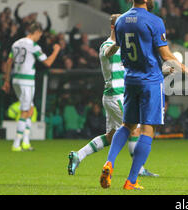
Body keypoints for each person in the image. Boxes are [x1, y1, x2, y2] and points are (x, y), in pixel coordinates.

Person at [100, 0, 188, 190]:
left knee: (127, 126)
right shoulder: (154, 21)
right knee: (148, 129)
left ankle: (109, 162)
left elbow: (116, 45)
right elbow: (165, 54)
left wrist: (109, 51)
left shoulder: (120, 21)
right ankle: (131, 181)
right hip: (150, 80)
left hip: (130, 80)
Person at [67, 14, 159, 177]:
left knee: (110, 137)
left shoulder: (127, 46)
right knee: (135, 129)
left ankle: (78, 155)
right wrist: (119, 42)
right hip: (115, 95)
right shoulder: (106, 45)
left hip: (120, 95)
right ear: (113, 27)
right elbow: (109, 52)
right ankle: (139, 169)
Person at [1, 22, 61, 151]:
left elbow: (8, 62)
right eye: (40, 34)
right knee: (26, 111)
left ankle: (26, 142)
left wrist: (7, 81)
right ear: (37, 32)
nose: (40, 37)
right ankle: (16, 144)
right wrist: (56, 51)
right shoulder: (33, 46)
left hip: (16, 79)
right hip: (27, 82)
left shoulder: (16, 43)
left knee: (31, 109)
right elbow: (48, 62)